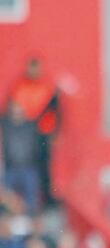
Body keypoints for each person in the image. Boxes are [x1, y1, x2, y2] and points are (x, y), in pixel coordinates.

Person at [6, 58, 59, 207]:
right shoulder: (20, 87)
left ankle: (46, 199)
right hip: (25, 131)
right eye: (32, 68)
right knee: (24, 161)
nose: (34, 72)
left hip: (43, 131)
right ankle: (19, 202)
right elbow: (15, 107)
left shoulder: (46, 87)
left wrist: (54, 131)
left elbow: (53, 110)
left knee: (44, 165)